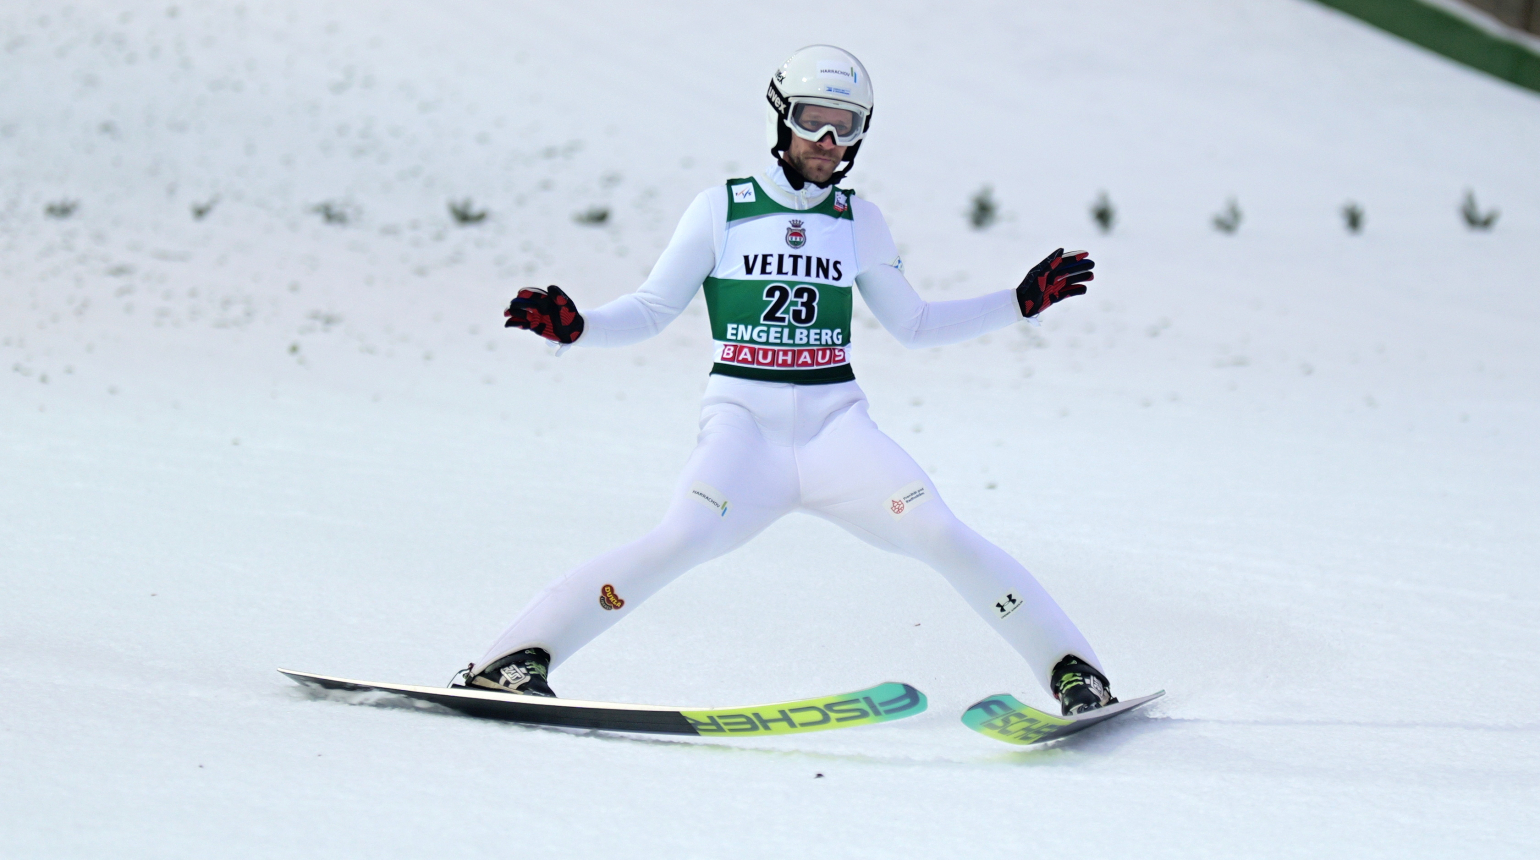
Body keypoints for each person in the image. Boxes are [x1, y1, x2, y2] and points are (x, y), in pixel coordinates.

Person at [458, 45, 1115, 716]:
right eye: (812, 120)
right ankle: (509, 661)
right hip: (744, 427)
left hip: (837, 430)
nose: (828, 141)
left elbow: (913, 324)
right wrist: (580, 328)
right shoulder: (723, 208)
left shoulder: (860, 220)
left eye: (846, 125)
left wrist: (1017, 303)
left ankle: (1075, 674)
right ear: (782, 118)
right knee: (679, 538)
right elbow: (654, 309)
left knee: (942, 533)